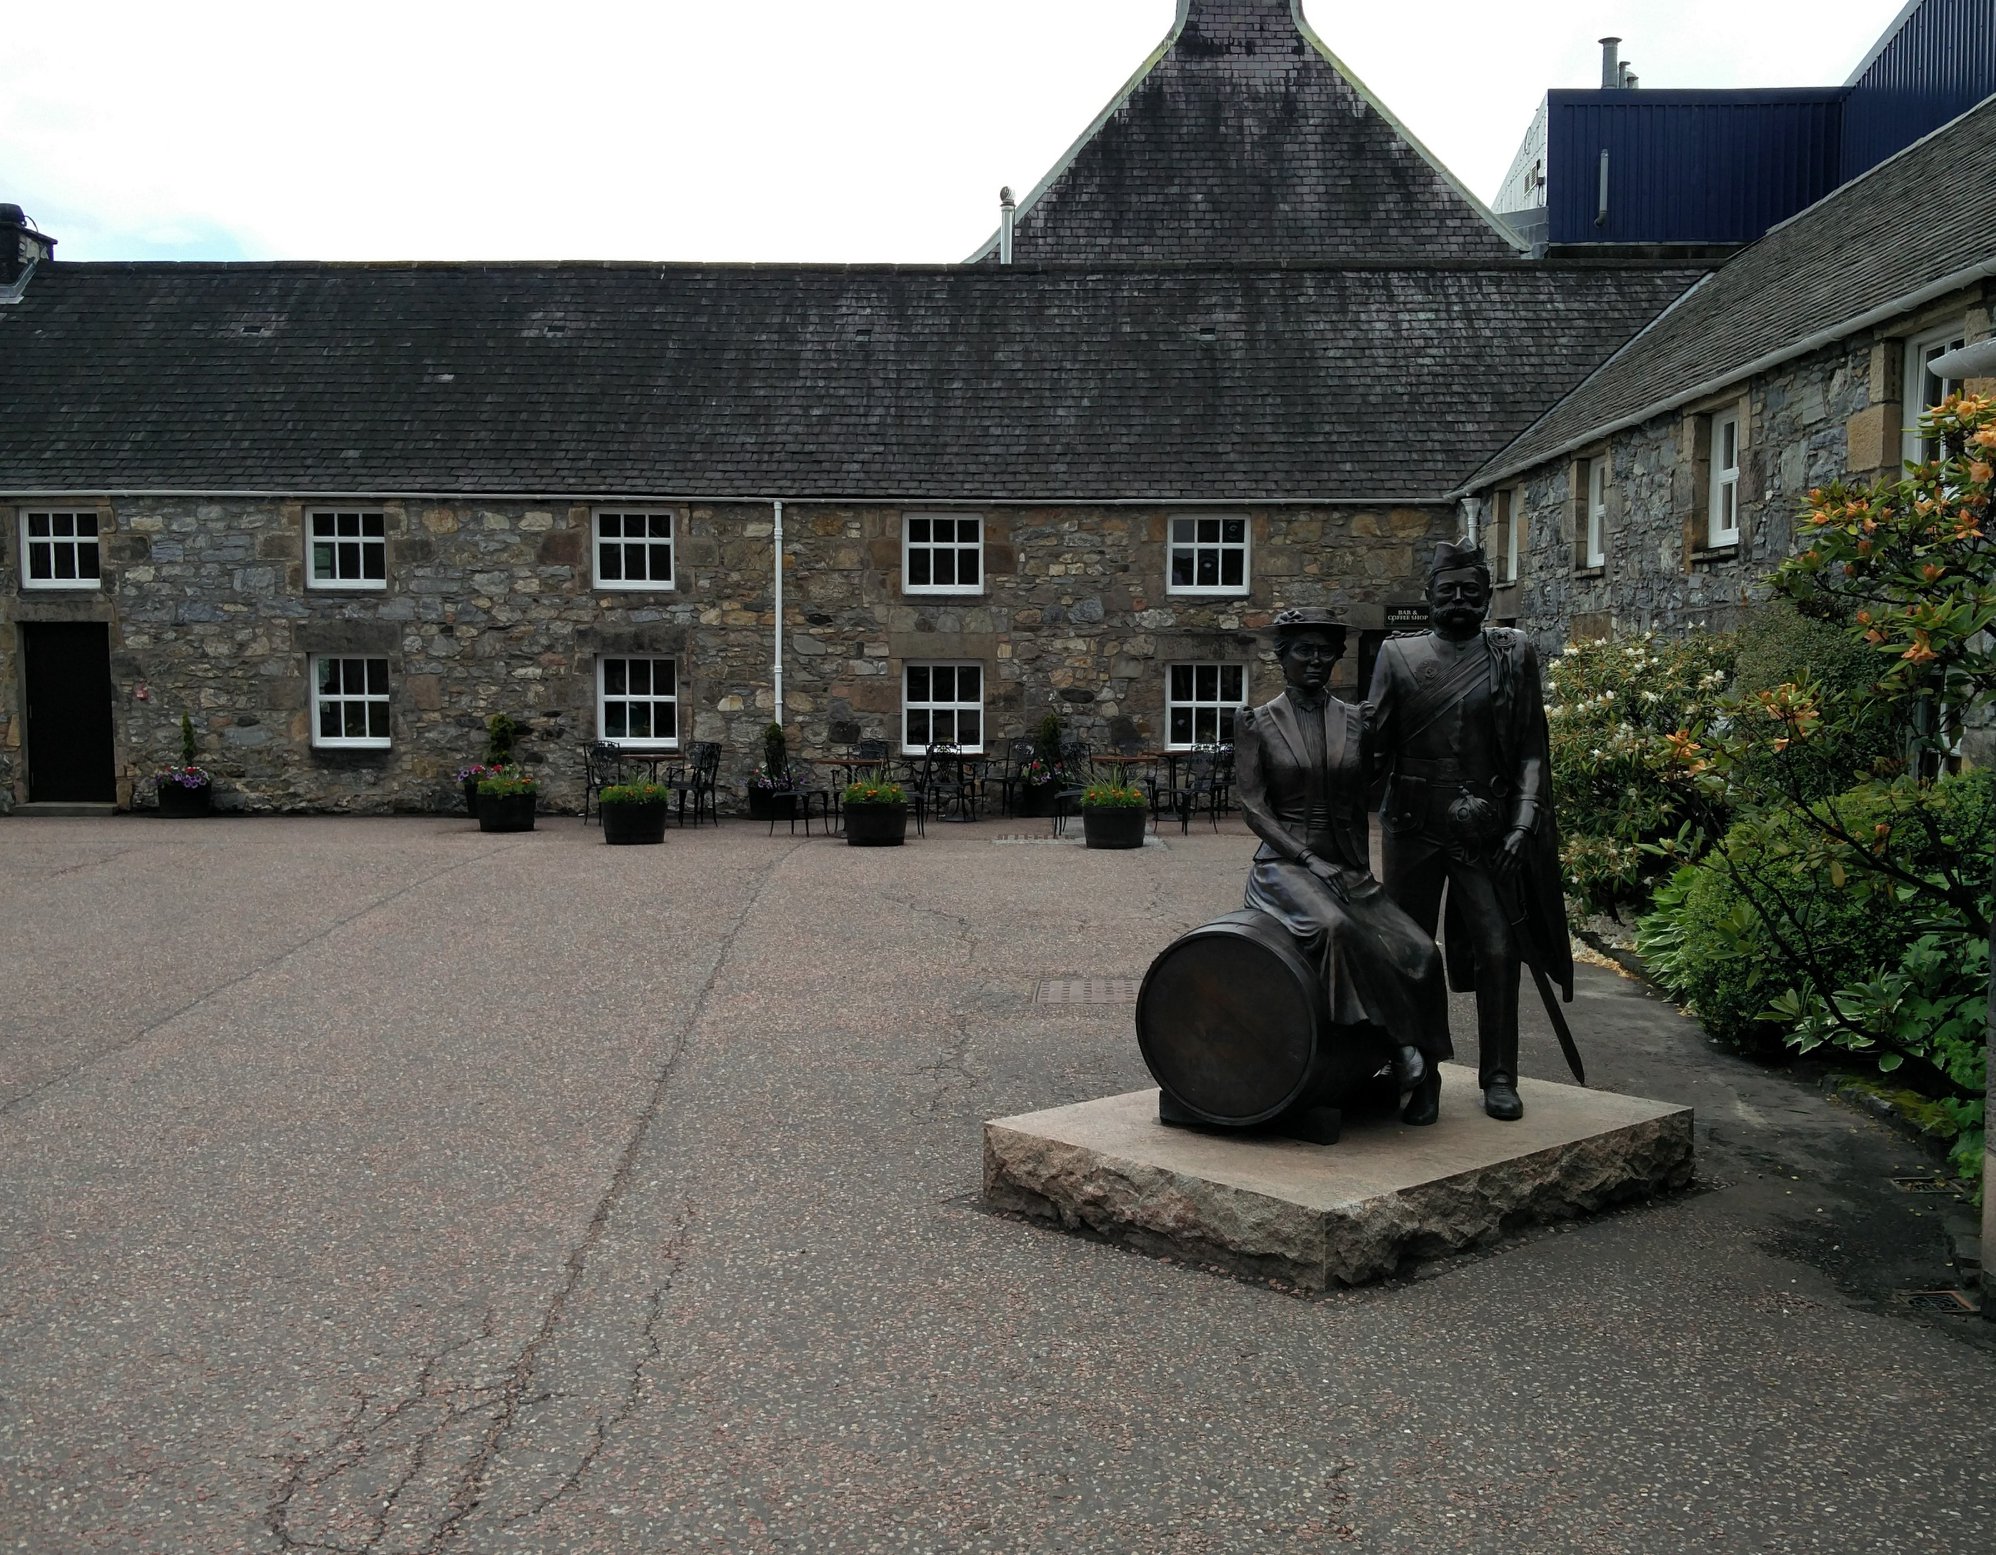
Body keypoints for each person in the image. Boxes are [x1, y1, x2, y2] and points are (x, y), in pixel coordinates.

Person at [1367, 540, 1572, 1124]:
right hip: (1413, 823)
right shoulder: (1396, 656)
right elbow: (1372, 747)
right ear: (1428, 595)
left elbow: (1532, 751)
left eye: (1470, 590)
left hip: (1485, 826)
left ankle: (1499, 1075)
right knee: (1410, 952)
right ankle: (1422, 1074)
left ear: (1486, 597)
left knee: (1499, 947)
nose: (1459, 599)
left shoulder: (1512, 654)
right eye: (1448, 590)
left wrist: (1523, 825)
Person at [1231, 609, 1452, 1117]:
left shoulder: (1357, 720)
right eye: (1303, 650)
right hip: (1284, 866)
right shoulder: (1255, 722)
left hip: (1346, 868)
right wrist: (1307, 858)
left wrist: (1360, 869)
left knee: (1421, 951)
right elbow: (1253, 808)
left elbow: (1363, 797)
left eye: (1325, 651)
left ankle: (1429, 1072)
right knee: (1335, 929)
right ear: (1282, 656)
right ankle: (1396, 1046)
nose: (1315, 660)